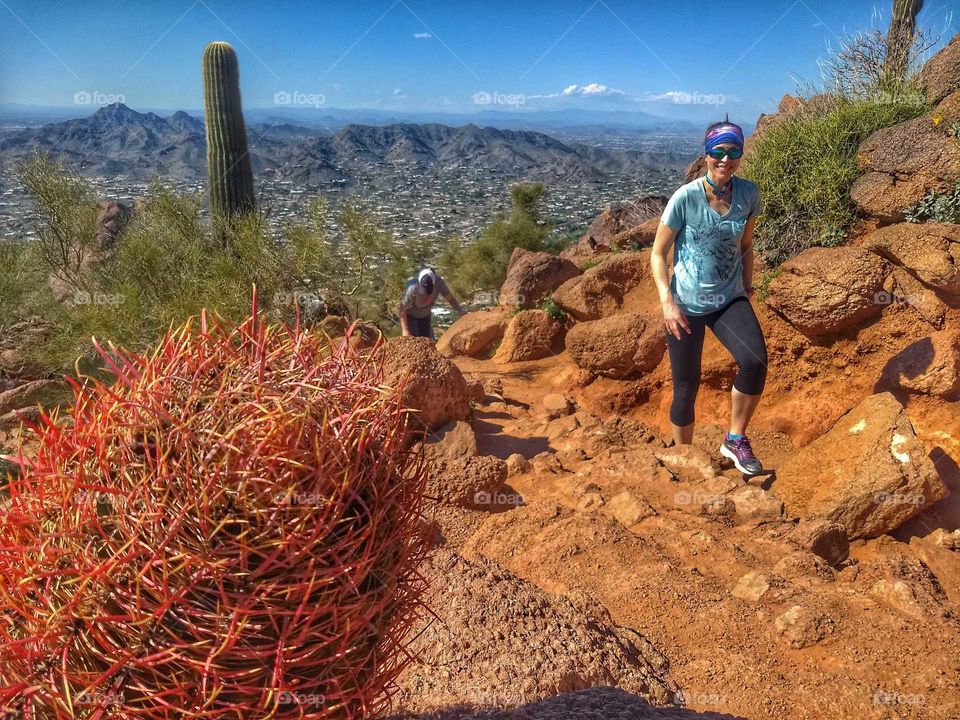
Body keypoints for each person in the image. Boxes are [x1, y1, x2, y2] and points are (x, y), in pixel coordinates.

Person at [649, 118, 767, 476]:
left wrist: (747, 285)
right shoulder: (685, 198)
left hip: (729, 299)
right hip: (685, 304)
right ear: (706, 154)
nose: (725, 159)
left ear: (741, 154)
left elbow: (746, 245)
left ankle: (735, 438)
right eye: (718, 150)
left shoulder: (748, 194)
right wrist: (667, 302)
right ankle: (684, 458)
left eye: (734, 151)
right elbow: (658, 253)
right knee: (686, 386)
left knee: (755, 362)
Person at [398, 268, 464, 340]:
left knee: (428, 340)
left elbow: (450, 298)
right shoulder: (412, 287)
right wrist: (405, 330)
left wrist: (460, 310)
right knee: (413, 340)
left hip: (425, 315)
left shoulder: (439, 283)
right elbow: (402, 308)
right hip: (411, 316)